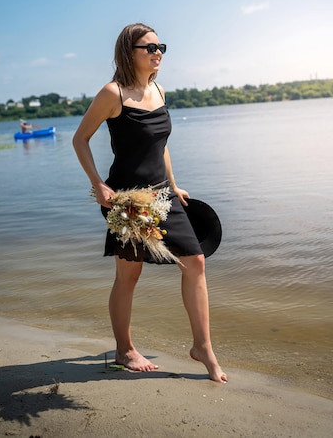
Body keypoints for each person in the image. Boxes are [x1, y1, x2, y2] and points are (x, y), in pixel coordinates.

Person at [72, 23, 227, 383]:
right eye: (150, 47)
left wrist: (174, 185)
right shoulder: (113, 93)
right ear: (129, 52)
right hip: (126, 200)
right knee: (129, 274)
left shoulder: (158, 89)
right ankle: (125, 350)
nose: (158, 52)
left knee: (195, 261)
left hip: (162, 195)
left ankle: (202, 346)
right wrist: (98, 184)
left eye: (161, 46)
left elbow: (160, 144)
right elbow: (80, 139)